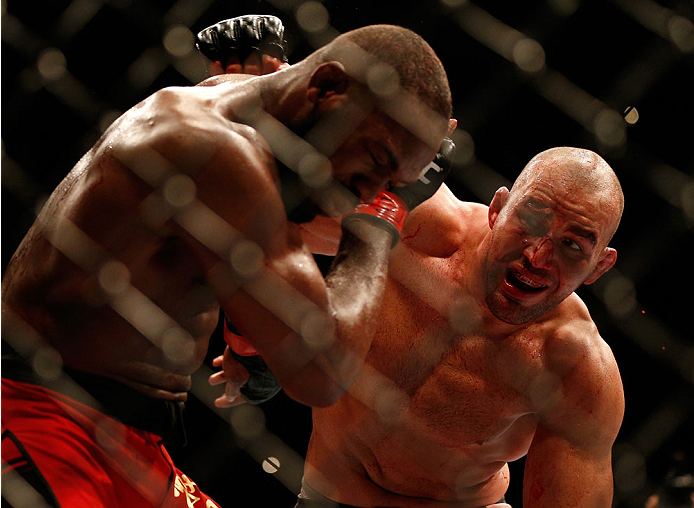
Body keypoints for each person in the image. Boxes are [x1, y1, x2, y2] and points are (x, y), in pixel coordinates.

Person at [1, 22, 454, 507]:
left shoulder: (235, 107)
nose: (365, 193)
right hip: (45, 417)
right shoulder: (217, 154)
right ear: (325, 87)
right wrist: (380, 220)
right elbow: (321, 373)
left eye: (393, 182)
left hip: (129, 437)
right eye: (377, 161)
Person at [293, 147, 625, 507]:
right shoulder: (417, 225)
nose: (537, 256)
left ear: (598, 268)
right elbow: (269, 209)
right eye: (531, 221)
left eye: (572, 245)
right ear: (497, 210)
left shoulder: (575, 367)